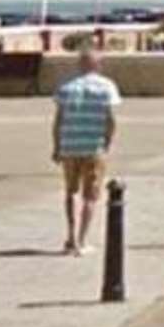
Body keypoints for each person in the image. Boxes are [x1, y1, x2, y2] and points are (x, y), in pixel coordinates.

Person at [51, 46, 121, 255]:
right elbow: (111, 119)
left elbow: (58, 120)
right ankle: (82, 241)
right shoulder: (106, 87)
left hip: (69, 145)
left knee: (70, 192)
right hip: (94, 146)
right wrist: (107, 142)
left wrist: (56, 146)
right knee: (90, 195)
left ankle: (70, 237)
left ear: (79, 64)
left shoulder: (66, 87)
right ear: (98, 65)